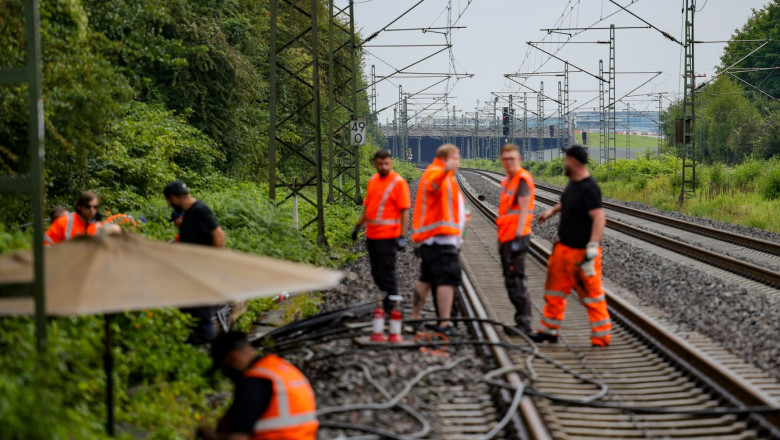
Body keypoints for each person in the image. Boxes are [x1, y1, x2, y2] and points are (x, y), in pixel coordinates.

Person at [533, 145, 612, 347]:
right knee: (554, 292)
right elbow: (569, 203)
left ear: (574, 162)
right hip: (563, 250)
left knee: (592, 296)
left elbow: (599, 219)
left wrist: (592, 249)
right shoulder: (574, 184)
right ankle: (548, 331)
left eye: (565, 159)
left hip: (583, 253)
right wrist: (552, 211)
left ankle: (601, 337)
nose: (563, 162)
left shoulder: (589, 188)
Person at [197, 331, 318, 440]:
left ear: (233, 358)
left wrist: (209, 436)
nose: (226, 376)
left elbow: (237, 437)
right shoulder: (280, 369)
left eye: (224, 370)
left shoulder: (254, 383)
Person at [409, 144, 465, 337]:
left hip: (435, 238)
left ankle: (415, 318)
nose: (459, 161)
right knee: (447, 279)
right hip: (439, 238)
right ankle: (445, 322)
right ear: (447, 158)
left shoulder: (445, 176)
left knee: (426, 279)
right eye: (456, 157)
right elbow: (433, 185)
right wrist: (445, 171)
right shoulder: (436, 172)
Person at [164, 180, 226, 344]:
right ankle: (191, 346)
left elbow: (219, 235)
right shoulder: (188, 213)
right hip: (189, 273)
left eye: (169, 202)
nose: (170, 205)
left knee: (201, 313)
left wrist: (213, 266)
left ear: (173, 198)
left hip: (201, 272)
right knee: (187, 310)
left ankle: (206, 347)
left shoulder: (200, 210)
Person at [351, 150, 411, 315]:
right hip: (372, 235)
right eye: (380, 164)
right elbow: (368, 206)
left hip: (390, 236)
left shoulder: (398, 183)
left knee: (387, 271)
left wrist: (402, 236)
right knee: (376, 272)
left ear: (390, 163)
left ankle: (391, 306)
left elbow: (404, 210)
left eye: (386, 164)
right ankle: (388, 301)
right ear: (375, 164)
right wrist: (357, 226)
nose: (383, 167)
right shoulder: (372, 181)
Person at [496, 144, 536, 337]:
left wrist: (518, 237)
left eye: (512, 158)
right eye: (505, 159)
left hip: (516, 238)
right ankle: (521, 321)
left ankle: (525, 324)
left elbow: (522, 210)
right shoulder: (508, 181)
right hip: (506, 236)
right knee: (511, 280)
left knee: (516, 280)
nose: (509, 162)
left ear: (519, 159)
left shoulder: (520, 179)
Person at [44, 191, 119, 245]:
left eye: (95, 207)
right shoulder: (64, 222)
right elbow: (46, 242)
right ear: (79, 207)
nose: (92, 210)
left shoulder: (98, 227)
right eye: (88, 207)